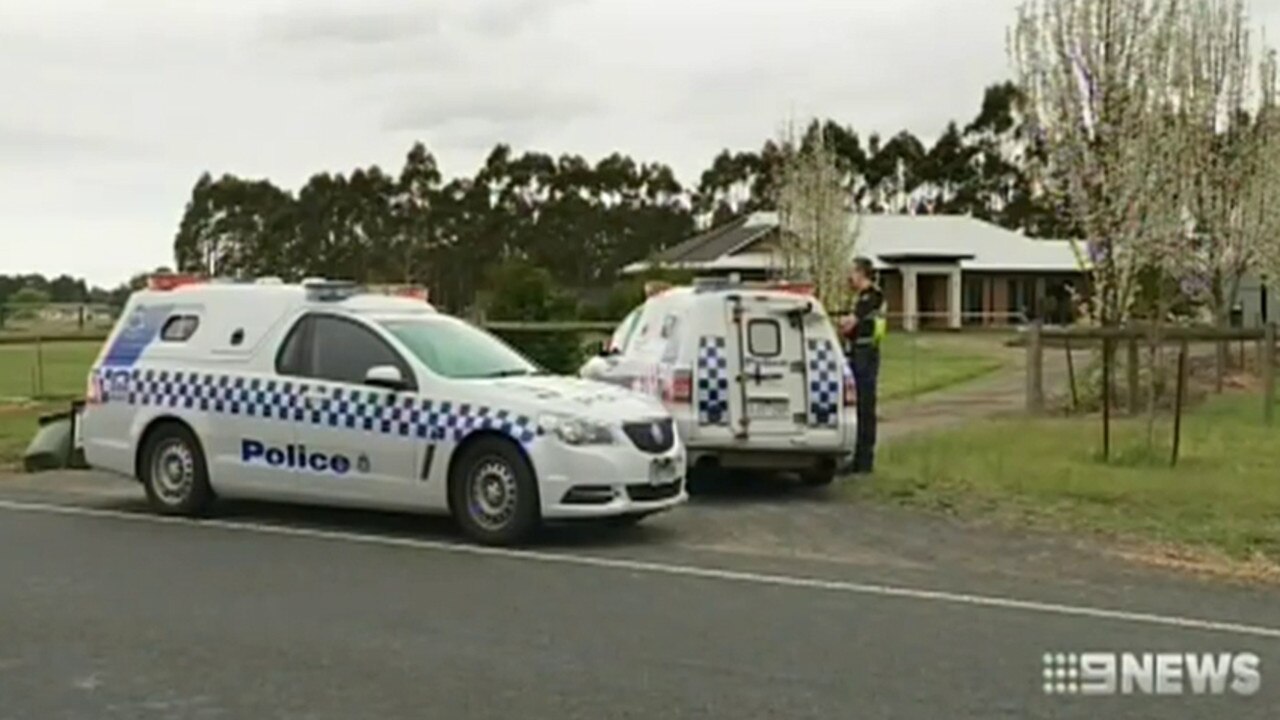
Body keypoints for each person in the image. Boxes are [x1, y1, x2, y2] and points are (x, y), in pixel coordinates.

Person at [838, 257, 885, 474]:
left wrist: (843, 324)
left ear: (861, 273)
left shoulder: (871, 296)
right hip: (860, 351)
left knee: (865, 407)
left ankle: (864, 461)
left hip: (866, 353)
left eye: (852, 273)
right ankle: (857, 458)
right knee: (857, 406)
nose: (850, 277)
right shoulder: (864, 297)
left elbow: (851, 323)